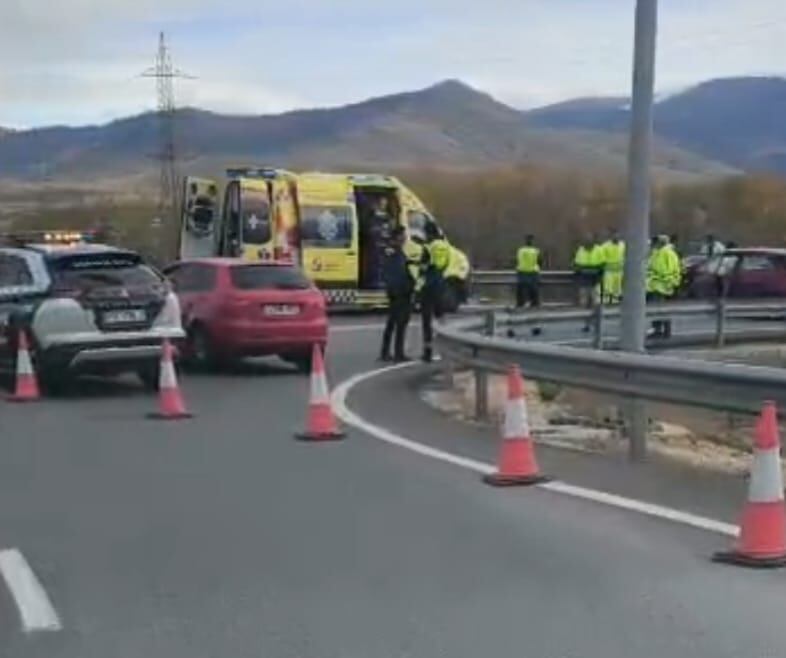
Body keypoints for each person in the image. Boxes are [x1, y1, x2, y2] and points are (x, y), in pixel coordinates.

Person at [379, 226, 414, 362]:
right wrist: (407, 288)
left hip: (395, 292)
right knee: (400, 323)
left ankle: (385, 352)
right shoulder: (395, 252)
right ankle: (398, 354)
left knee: (392, 323)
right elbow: (398, 274)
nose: (405, 238)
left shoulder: (393, 251)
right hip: (400, 293)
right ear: (398, 236)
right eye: (403, 235)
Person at [420, 222, 451, 362]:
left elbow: (423, 267)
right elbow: (447, 263)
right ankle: (446, 351)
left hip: (429, 285)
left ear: (429, 233)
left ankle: (428, 352)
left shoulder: (428, 247)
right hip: (441, 283)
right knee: (441, 318)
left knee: (427, 320)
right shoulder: (446, 246)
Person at [646, 235, 682, 337]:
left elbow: (666, 270)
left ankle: (660, 330)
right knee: (661, 309)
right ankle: (663, 330)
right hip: (659, 285)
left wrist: (667, 282)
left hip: (661, 286)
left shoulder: (665, 253)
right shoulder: (659, 252)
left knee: (658, 309)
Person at [573, 235, 604, 331]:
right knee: (584, 305)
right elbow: (577, 266)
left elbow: (602, 266)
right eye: (586, 242)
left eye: (589, 242)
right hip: (584, 282)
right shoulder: (581, 251)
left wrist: (598, 277)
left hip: (594, 282)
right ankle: (586, 324)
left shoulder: (598, 250)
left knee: (596, 304)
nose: (588, 244)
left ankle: (595, 323)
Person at [515, 234, 541, 308]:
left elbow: (517, 260)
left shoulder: (521, 250)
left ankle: (520, 304)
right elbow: (540, 261)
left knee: (521, 289)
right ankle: (535, 304)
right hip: (533, 272)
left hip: (522, 271)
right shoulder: (536, 251)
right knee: (534, 290)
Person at [601, 229, 625, 304]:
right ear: (611, 236)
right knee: (608, 289)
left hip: (619, 271)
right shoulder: (605, 246)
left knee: (618, 291)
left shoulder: (623, 245)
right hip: (609, 271)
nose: (616, 237)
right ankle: (607, 304)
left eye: (617, 235)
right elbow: (602, 258)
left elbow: (625, 256)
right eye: (614, 235)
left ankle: (616, 305)